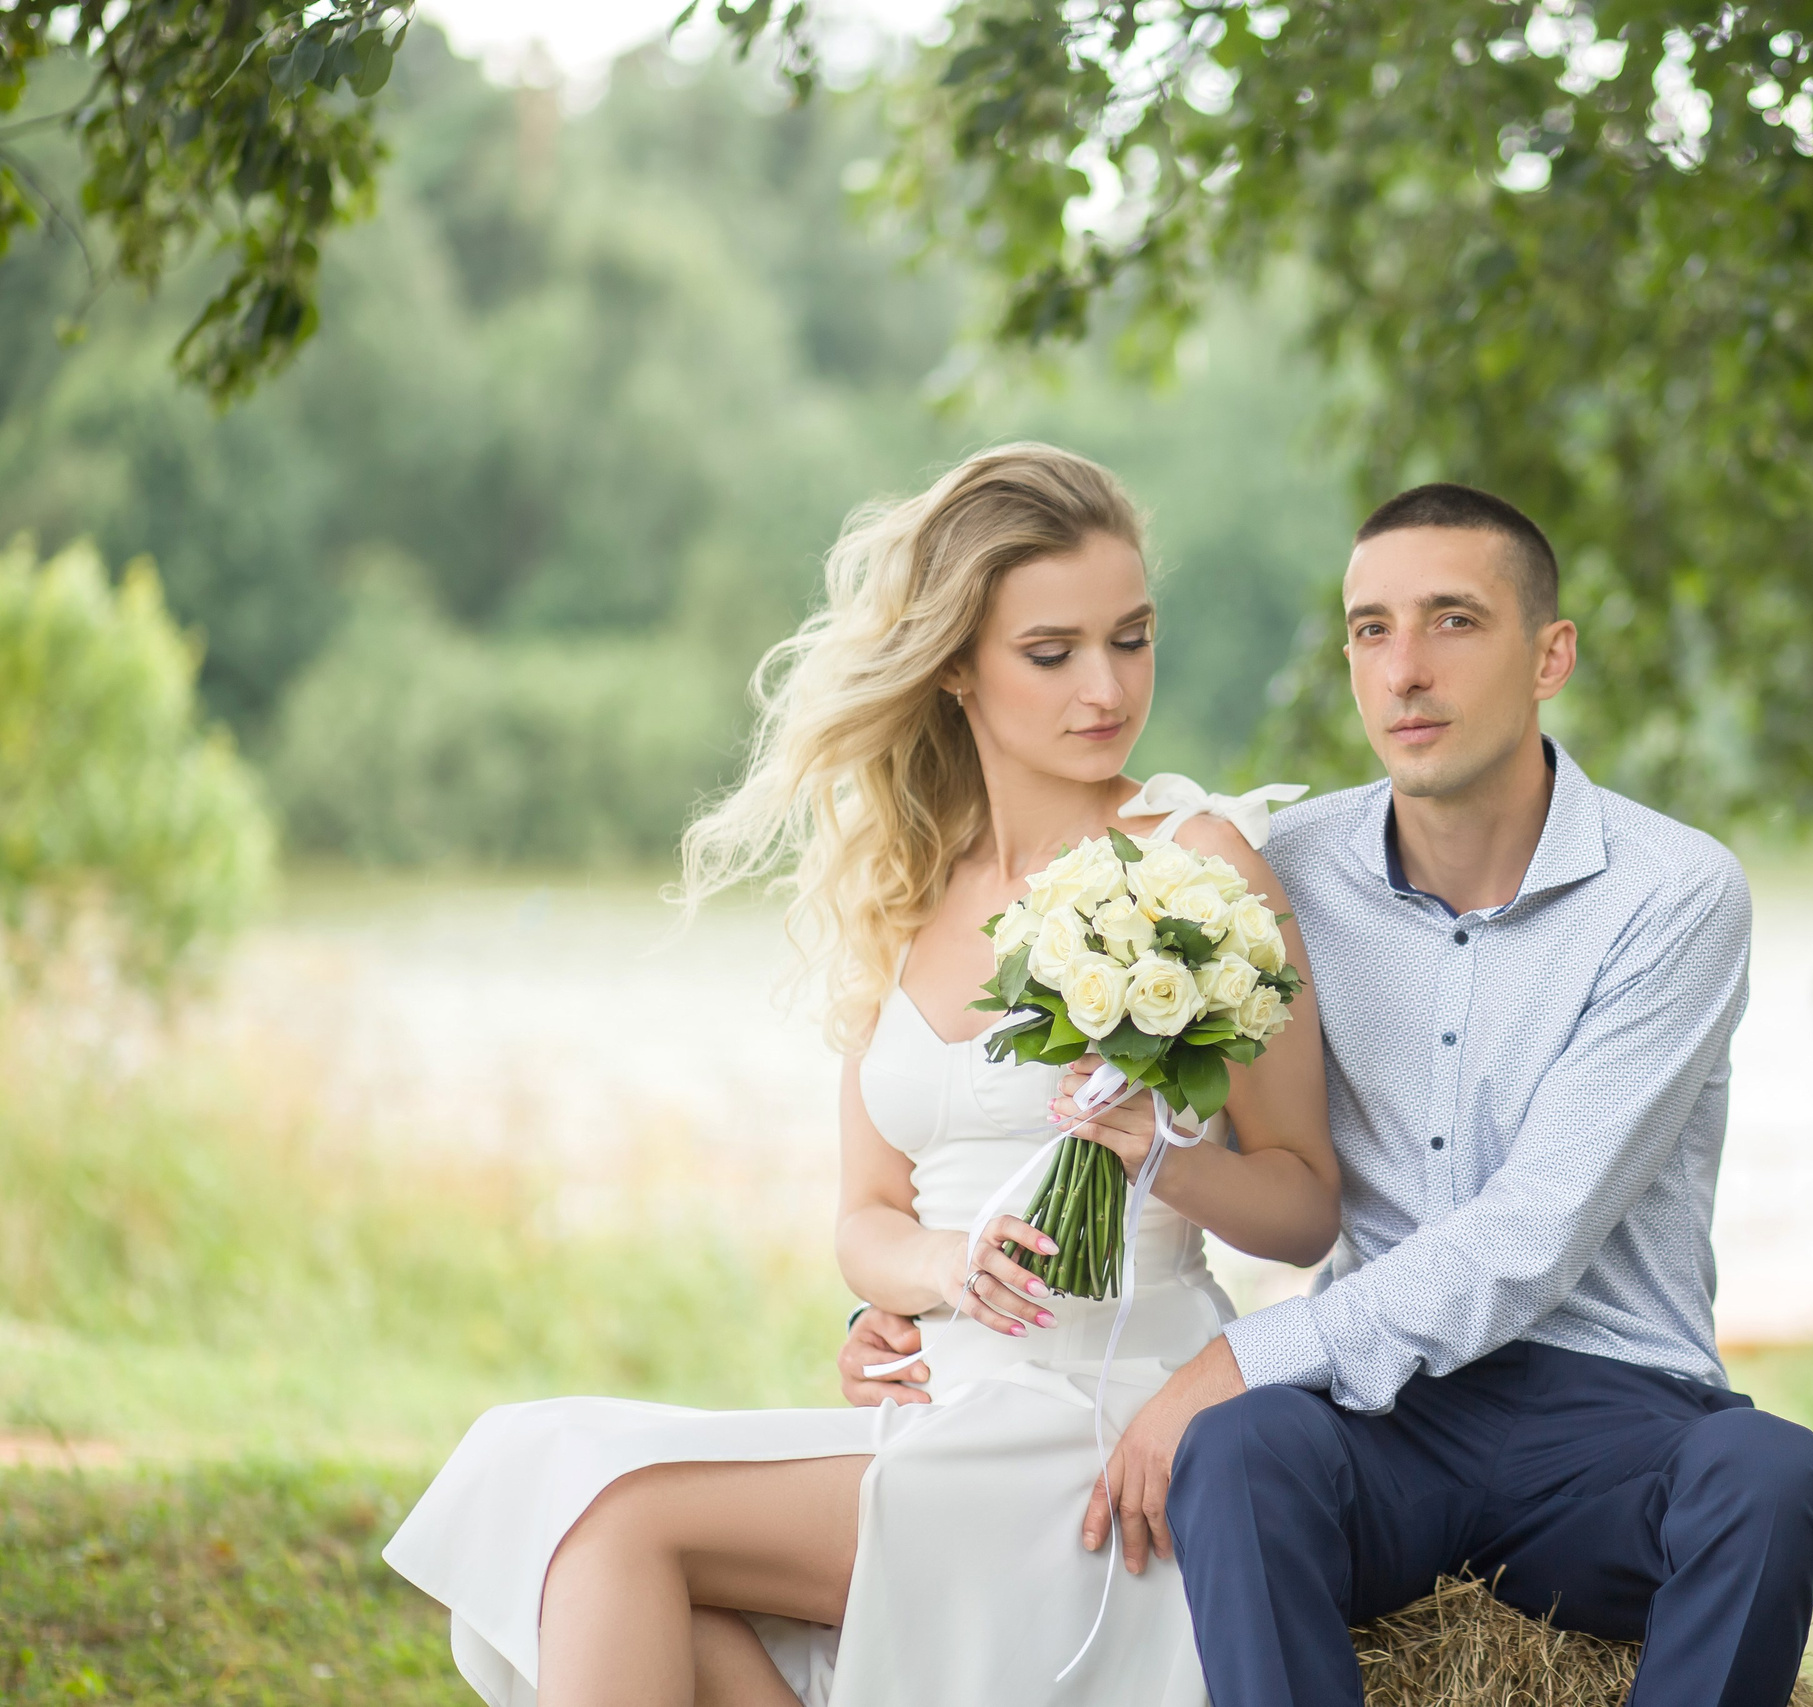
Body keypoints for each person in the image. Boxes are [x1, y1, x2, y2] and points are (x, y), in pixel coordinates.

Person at [380, 444, 1339, 1707]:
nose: (1106, 688)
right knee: (553, 1481)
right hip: (945, 1408)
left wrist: (1162, 1160)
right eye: (1051, 653)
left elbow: (1307, 1201)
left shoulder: (1199, 861)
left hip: (1101, 1423)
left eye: (1132, 637)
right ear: (955, 669)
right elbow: (867, 1218)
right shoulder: (907, 890)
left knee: (610, 1523)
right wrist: (939, 1277)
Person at [1085, 483, 1813, 1707]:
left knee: (1768, 1474)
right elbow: (1121, 1112)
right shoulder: (1282, 875)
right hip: (1386, 1435)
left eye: (1452, 622)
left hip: (1612, 1419)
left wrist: (1240, 1352)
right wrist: (921, 1298)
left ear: (1550, 657)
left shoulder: (1675, 895)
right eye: (1370, 629)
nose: (1405, 671)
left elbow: (1528, 1236)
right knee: (1240, 1451)